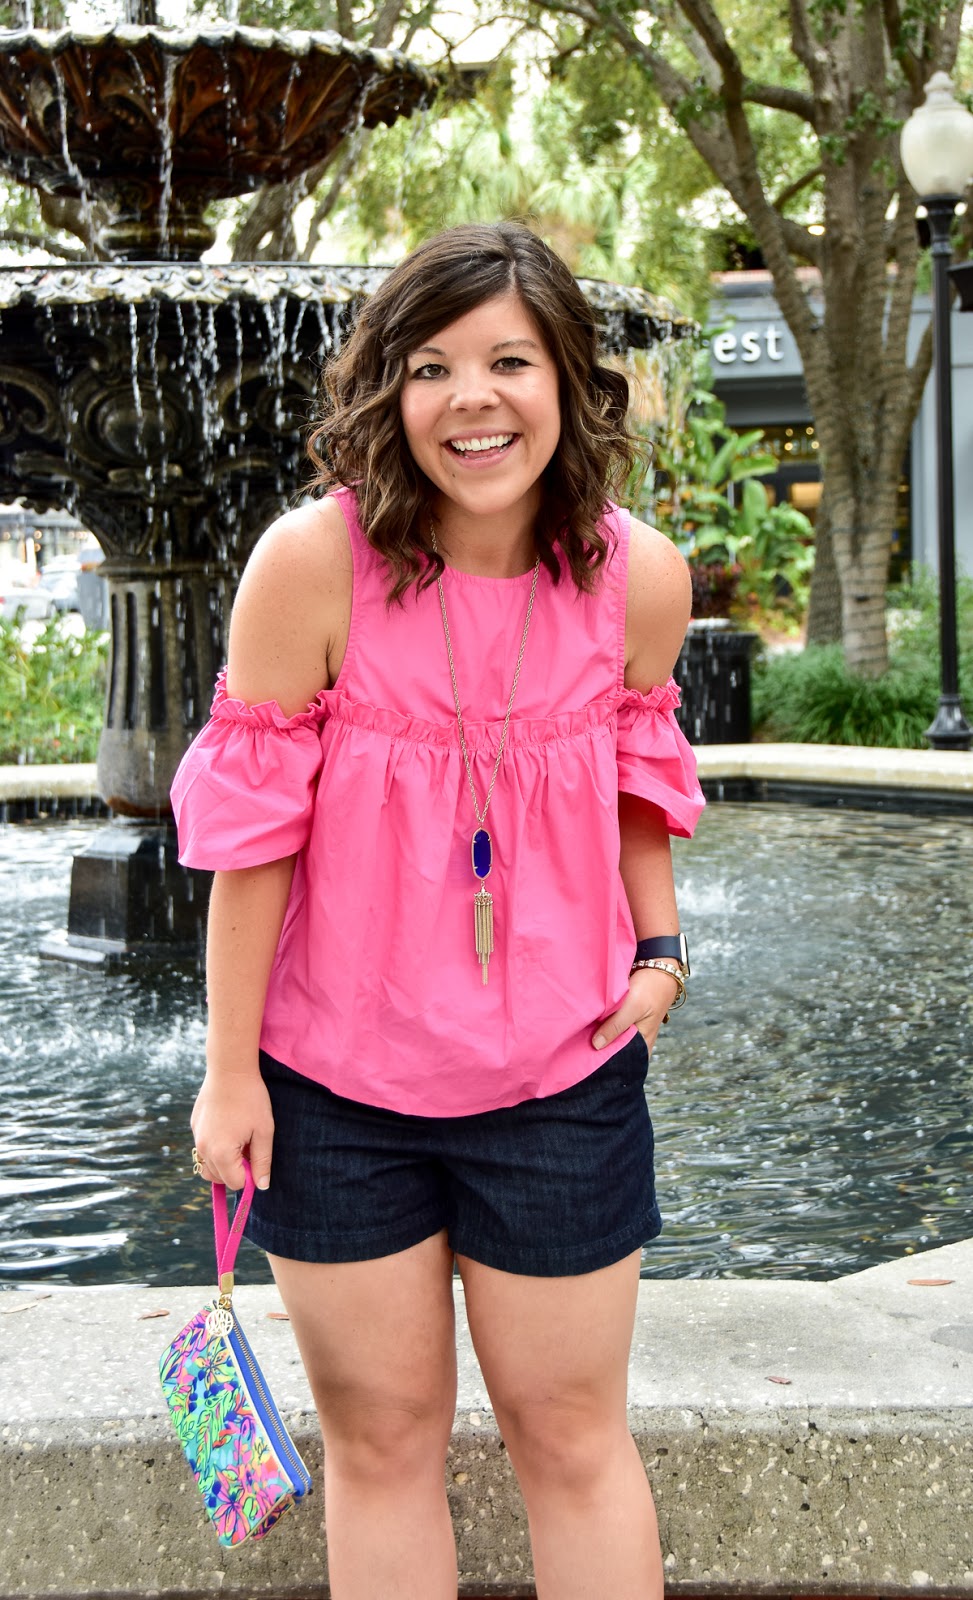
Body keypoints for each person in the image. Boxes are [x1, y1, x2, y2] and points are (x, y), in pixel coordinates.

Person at [171, 220, 705, 1600]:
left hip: (562, 1079)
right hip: (334, 1094)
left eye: (509, 360)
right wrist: (230, 1074)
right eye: (430, 367)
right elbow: (252, 843)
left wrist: (658, 952)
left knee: (572, 1438)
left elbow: (638, 775)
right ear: (388, 393)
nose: (472, 398)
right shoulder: (312, 565)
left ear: (569, 378)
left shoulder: (638, 578)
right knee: (382, 1441)